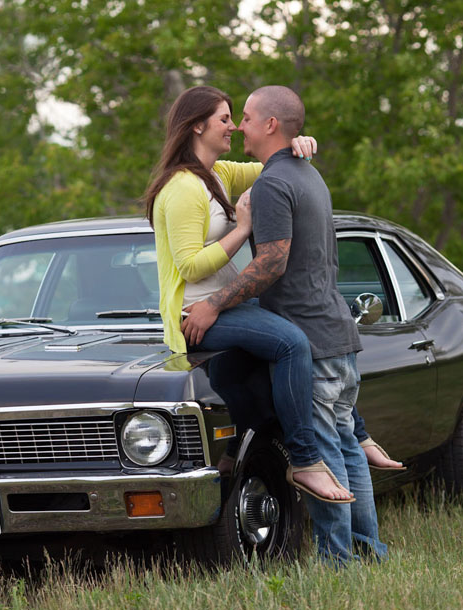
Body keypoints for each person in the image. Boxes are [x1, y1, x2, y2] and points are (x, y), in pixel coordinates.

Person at [181, 85, 388, 563]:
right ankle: (368, 550)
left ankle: (338, 560)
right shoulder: (307, 174)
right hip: (337, 334)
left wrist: (213, 304)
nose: (239, 126)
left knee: (322, 455)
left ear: (271, 125)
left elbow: (272, 262)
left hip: (309, 338)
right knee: (347, 448)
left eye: (247, 117)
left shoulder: (273, 185)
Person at [144, 85, 353, 503]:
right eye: (224, 119)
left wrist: (300, 145)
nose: (234, 127)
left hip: (221, 308)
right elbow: (189, 266)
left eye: (237, 118)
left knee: (298, 324)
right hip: (195, 313)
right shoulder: (183, 187)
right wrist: (242, 229)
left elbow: (273, 169)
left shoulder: (217, 175)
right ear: (198, 125)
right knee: (292, 342)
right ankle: (306, 460)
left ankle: (353, 433)